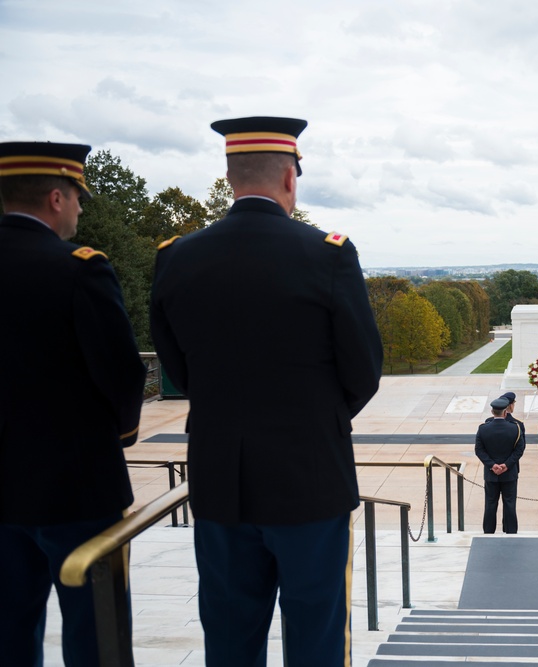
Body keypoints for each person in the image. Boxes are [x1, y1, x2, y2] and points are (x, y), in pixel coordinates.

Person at [150, 117, 383, 665]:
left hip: (219, 481)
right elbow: (363, 370)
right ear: (289, 178)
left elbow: (178, 370)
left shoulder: (177, 257)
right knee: (317, 638)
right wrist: (312, 417)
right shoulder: (328, 253)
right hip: (309, 478)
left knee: (230, 640)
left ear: (230, 177)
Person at [0, 141, 145, 666]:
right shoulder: (79, 269)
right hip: (76, 489)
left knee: (9, 633)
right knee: (95, 634)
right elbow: (122, 371)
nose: (82, 209)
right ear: (56, 198)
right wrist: (121, 434)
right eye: (79, 198)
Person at [476, 397, 525, 533]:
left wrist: (492, 465)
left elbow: (479, 450)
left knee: (490, 504)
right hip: (509, 474)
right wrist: (506, 465)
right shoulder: (515, 428)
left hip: (491, 475)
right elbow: (519, 450)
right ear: (505, 412)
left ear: (492, 411)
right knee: (509, 504)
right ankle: (510, 533)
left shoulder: (483, 429)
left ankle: (488, 532)